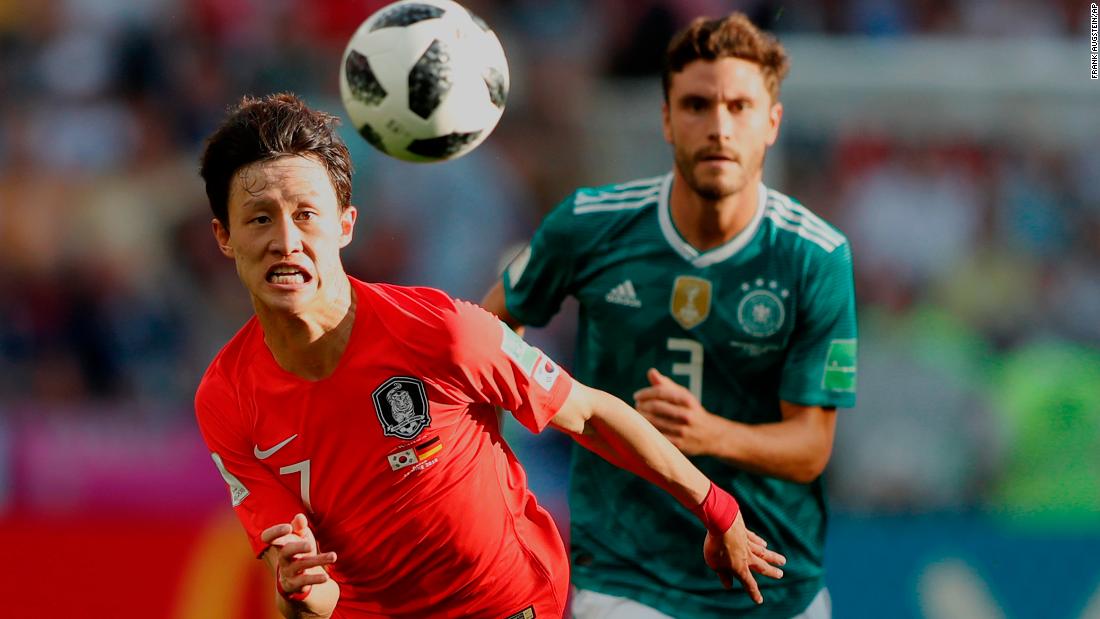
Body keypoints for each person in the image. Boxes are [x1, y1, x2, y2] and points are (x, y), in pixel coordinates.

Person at [193, 93, 786, 619]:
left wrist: (716, 505)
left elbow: (586, 413)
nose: (286, 240)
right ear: (224, 237)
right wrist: (296, 591)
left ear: (346, 226)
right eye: (260, 218)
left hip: (508, 603)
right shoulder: (226, 399)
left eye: (306, 215)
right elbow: (309, 594)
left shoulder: (442, 332)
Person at [481, 13, 857, 619]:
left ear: (772, 122)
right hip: (627, 578)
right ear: (665, 118)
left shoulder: (814, 255)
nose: (718, 127)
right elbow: (483, 338)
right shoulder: (591, 225)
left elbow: (811, 446)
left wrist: (711, 434)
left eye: (739, 106)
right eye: (697, 105)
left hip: (773, 583)